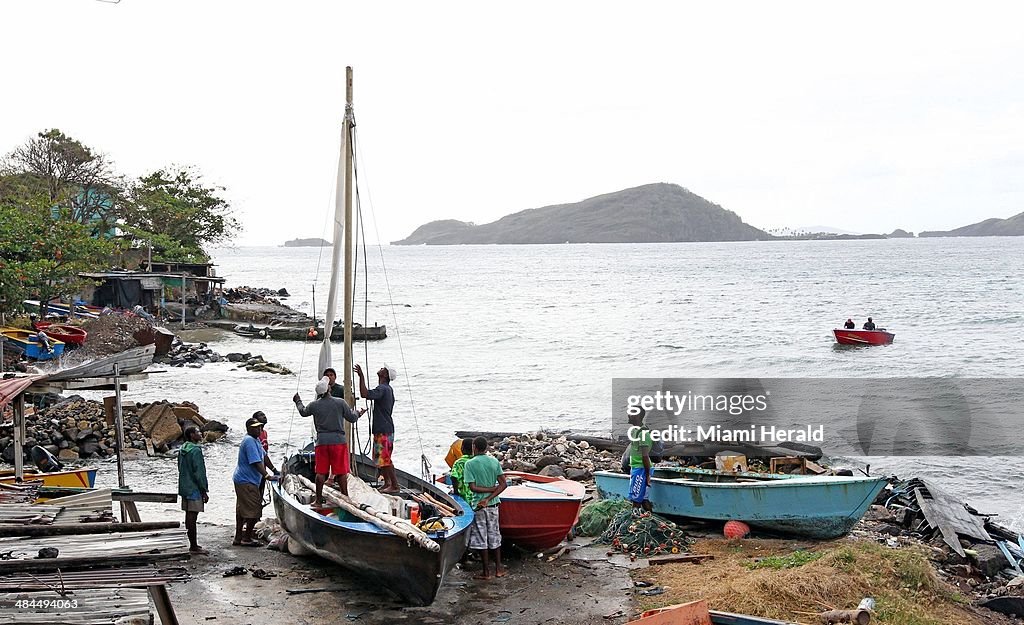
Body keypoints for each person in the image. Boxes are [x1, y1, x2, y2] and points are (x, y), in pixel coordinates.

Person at [293, 377, 365, 503]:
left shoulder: (314, 405)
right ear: (329, 389)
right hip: (338, 442)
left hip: (322, 442)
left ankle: (319, 500)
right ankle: (345, 498)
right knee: (341, 472)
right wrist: (359, 413)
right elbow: (352, 418)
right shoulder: (340, 402)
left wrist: (298, 401)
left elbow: (303, 412)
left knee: (320, 472)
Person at [464, 436, 507, 580]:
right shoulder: (494, 461)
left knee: (482, 538)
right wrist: (490, 494)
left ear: (474, 447)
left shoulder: (470, 464)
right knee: (495, 535)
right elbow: (503, 484)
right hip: (493, 504)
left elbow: (473, 487)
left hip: (478, 506)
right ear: (486, 448)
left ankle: (486, 572)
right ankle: (499, 569)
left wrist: (485, 497)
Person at [354, 363, 399, 493]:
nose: (381, 368)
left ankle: (394, 485)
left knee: (385, 458)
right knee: (381, 458)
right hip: (383, 427)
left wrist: (361, 376)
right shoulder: (386, 389)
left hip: (383, 429)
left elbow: (364, 394)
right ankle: (387, 483)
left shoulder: (383, 389)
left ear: (385, 375)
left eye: (383, 369)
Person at [233, 417, 276, 546]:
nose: (259, 429)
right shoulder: (249, 441)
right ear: (249, 429)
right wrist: (267, 476)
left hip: (243, 479)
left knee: (241, 510)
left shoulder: (255, 440)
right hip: (247, 480)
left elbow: (264, 456)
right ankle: (246, 538)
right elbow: (256, 462)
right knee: (254, 510)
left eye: (260, 427)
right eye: (256, 427)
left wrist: (275, 469)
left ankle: (238, 537)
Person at [177, 425, 209, 554]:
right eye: (198, 432)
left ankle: (193, 544)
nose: (200, 434)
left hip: (185, 485)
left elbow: (180, 467)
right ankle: (194, 546)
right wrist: (204, 490)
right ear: (192, 435)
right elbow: (199, 472)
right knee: (192, 516)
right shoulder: (195, 450)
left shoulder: (182, 449)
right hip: (194, 487)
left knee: (188, 515)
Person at [627, 407, 653, 512]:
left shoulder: (643, 434)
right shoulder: (635, 431)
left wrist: (647, 475)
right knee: (643, 499)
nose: (628, 415)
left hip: (641, 469)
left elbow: (645, 456)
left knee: (636, 501)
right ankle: (650, 520)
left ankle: (634, 524)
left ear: (637, 416)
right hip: (637, 468)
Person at [449, 438, 475, 503]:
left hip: (464, 497)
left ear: (462, 448)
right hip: (476, 497)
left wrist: (456, 492)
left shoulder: (459, 462)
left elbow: (454, 477)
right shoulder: (477, 461)